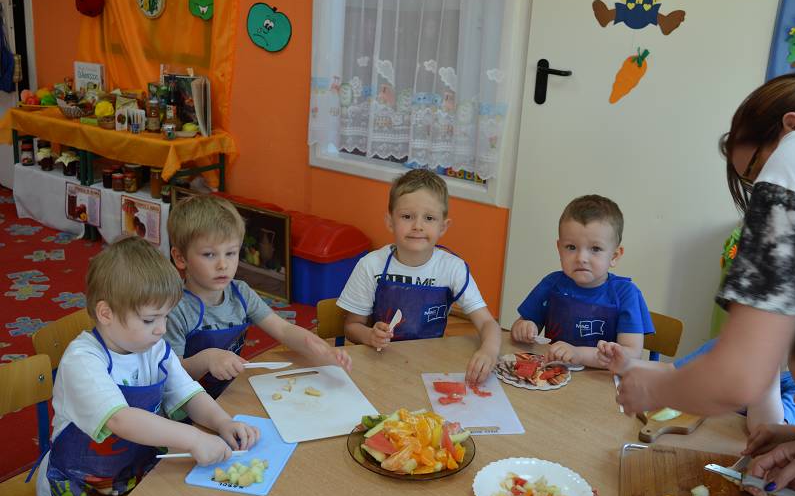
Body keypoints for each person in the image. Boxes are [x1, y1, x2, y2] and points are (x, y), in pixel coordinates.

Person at [613, 73, 795, 494]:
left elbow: (738, 376)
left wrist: (655, 388)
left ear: (792, 126)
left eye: (756, 172)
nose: (759, 190)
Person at [36, 236, 260, 496]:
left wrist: (222, 422)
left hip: (134, 472)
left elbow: (188, 394)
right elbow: (121, 419)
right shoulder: (83, 361)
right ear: (106, 313)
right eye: (149, 320)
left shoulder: (154, 349)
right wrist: (193, 438)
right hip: (78, 485)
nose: (161, 329)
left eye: (166, 316)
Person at [165, 195, 351, 399]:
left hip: (229, 393)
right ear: (180, 258)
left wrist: (325, 352)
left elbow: (284, 330)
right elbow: (172, 376)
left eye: (231, 253)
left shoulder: (241, 293)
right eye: (209, 255)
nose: (223, 265)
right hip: (185, 404)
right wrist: (207, 359)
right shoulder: (174, 308)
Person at [336, 168, 501, 384]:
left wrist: (488, 351)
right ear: (390, 221)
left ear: (443, 227)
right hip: (379, 367)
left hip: (430, 367)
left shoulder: (452, 268)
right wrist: (370, 336)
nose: (418, 226)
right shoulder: (371, 265)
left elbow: (488, 323)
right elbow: (351, 327)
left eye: (429, 218)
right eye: (407, 216)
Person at [510, 194, 653, 368]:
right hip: (553, 375)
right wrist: (523, 328)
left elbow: (632, 353)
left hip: (602, 381)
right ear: (559, 249)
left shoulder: (626, 294)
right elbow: (520, 326)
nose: (581, 258)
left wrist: (579, 354)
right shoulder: (551, 284)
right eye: (571, 247)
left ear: (614, 256)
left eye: (595, 249)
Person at [598, 337, 795, 432]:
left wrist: (768, 360)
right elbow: (672, 370)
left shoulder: (791, 385)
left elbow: (765, 428)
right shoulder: (723, 347)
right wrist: (628, 365)